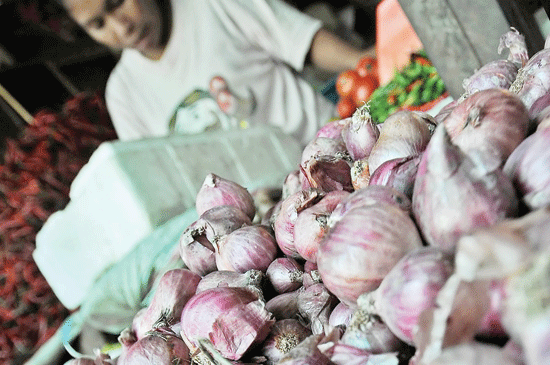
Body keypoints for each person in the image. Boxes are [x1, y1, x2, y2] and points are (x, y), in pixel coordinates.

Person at [59, 0, 375, 145]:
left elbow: (303, 41)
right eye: (98, 25)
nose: (121, 26)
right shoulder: (123, 92)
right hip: (269, 215)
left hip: (336, 143)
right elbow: (160, 168)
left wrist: (361, 60)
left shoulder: (212, 5)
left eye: (117, 3)